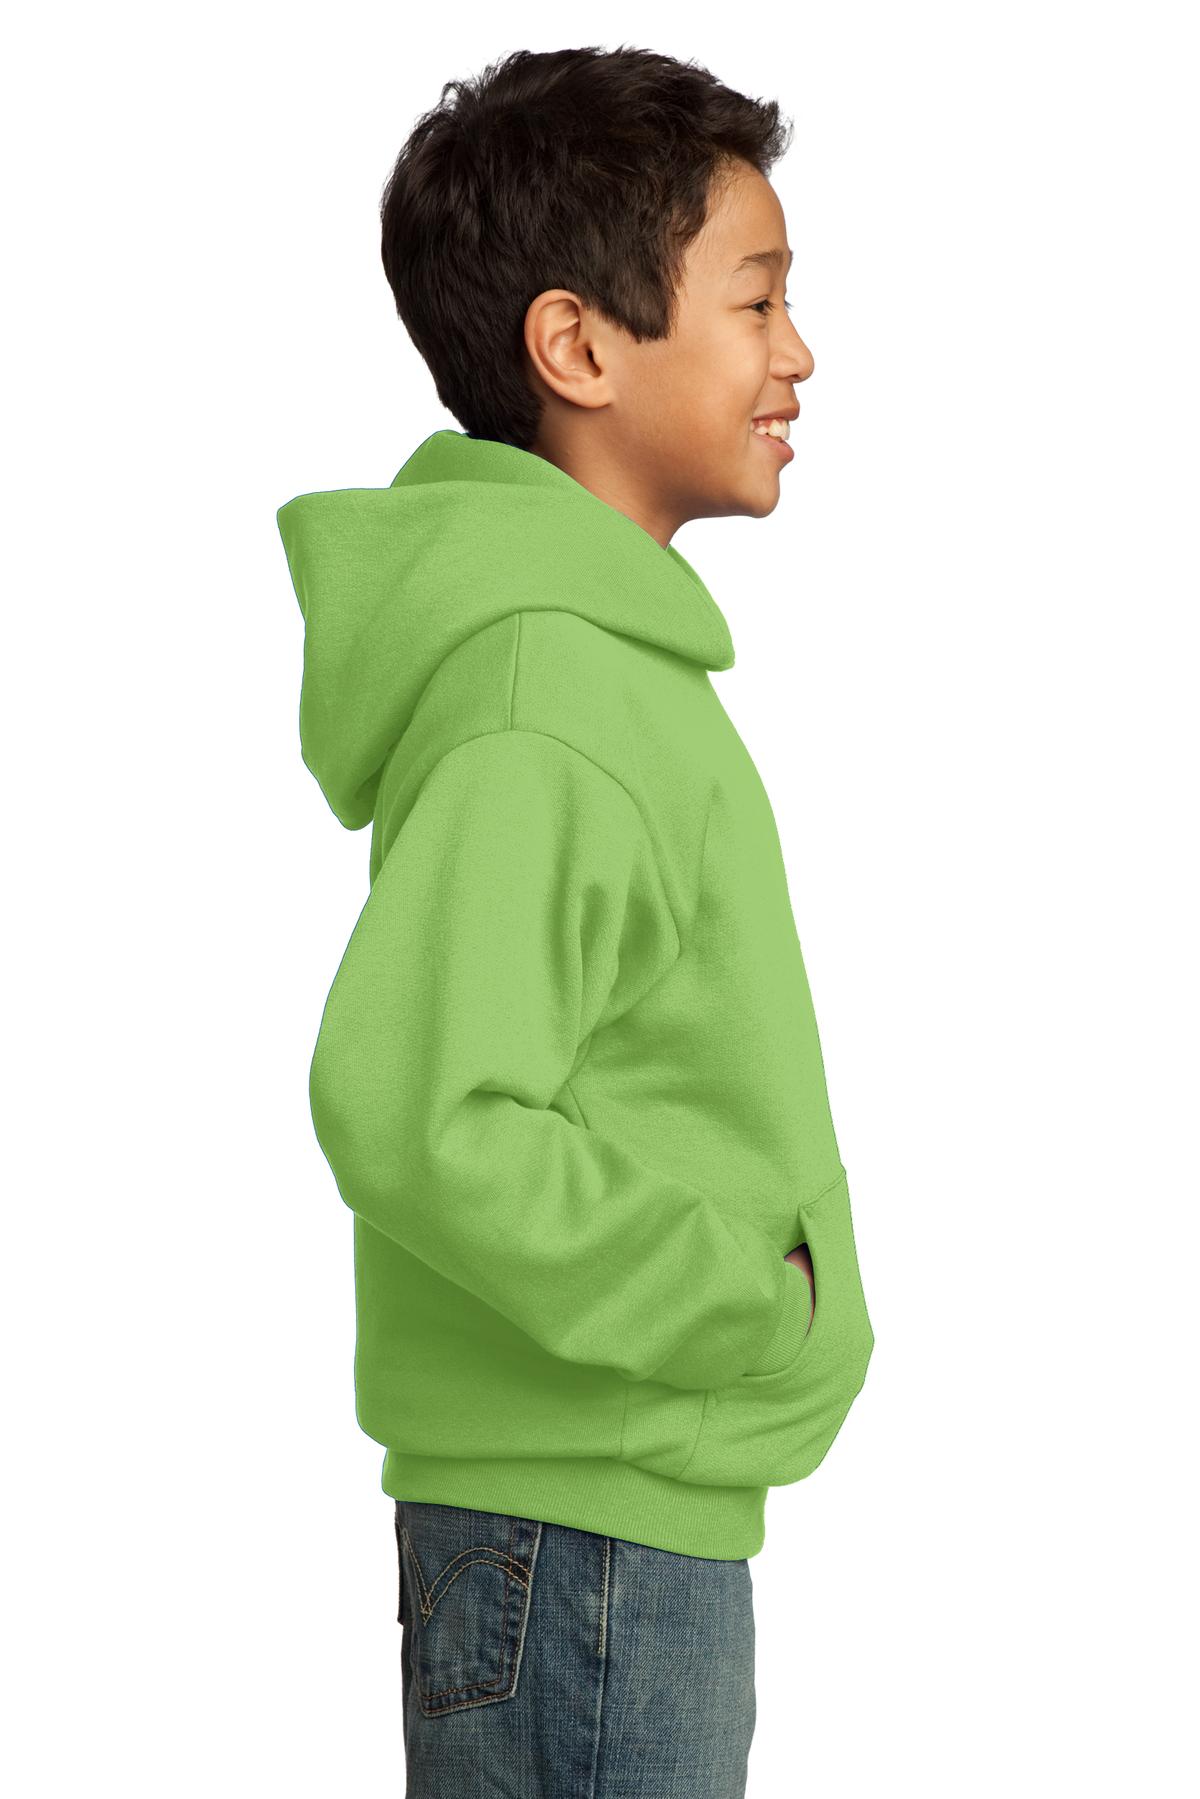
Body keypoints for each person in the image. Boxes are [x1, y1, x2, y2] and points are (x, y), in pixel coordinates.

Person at [277, 43, 874, 1799]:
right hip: (585, 1540)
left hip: (607, 1523)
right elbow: (417, 1113)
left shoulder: (602, 674)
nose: (798, 353)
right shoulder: (548, 695)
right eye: (755, 300)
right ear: (580, 348)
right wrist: (745, 1304)